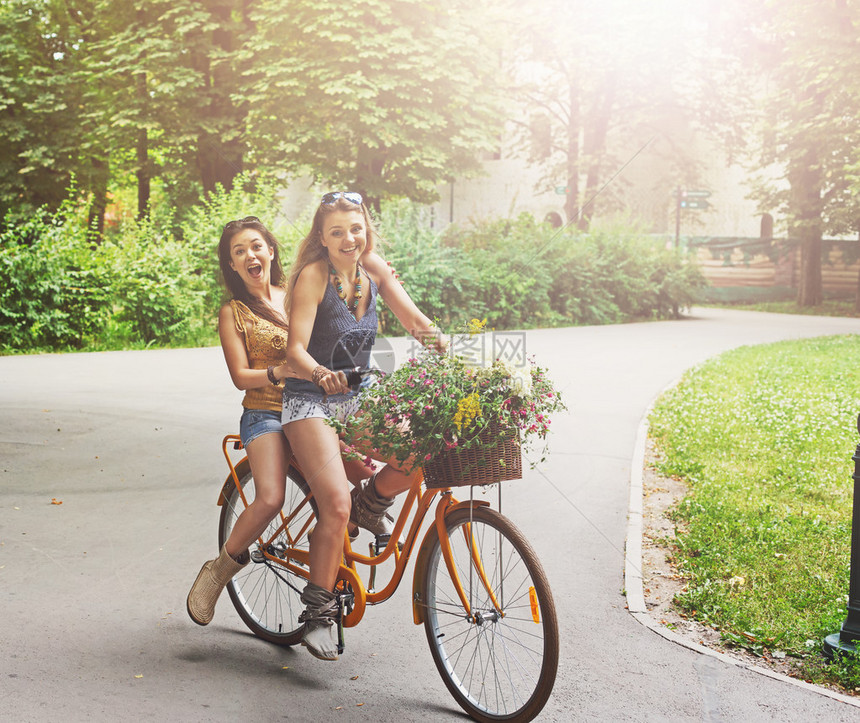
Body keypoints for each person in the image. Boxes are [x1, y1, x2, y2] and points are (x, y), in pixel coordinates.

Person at [282, 191, 445, 661]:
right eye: (337, 232)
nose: (348, 238)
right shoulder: (313, 277)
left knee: (419, 451)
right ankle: (317, 613)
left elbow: (416, 322)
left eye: (355, 228)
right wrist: (319, 373)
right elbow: (295, 350)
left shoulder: (374, 270)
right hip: (311, 400)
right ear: (322, 238)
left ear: (366, 228)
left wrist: (460, 363)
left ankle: (367, 507)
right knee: (333, 504)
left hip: (358, 396)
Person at [186, 216, 372, 627]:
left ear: (271, 251)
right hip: (266, 412)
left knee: (361, 472)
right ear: (232, 266)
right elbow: (240, 376)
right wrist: (280, 372)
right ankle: (220, 570)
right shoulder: (233, 312)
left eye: (256, 246)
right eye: (239, 252)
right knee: (269, 498)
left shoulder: (298, 291)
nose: (250, 255)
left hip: (313, 409)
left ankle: (329, 542)